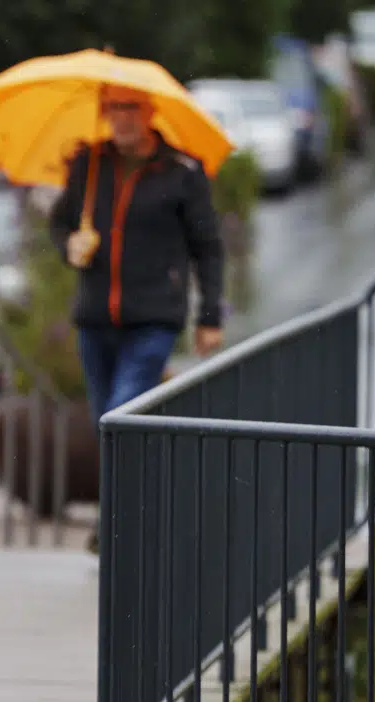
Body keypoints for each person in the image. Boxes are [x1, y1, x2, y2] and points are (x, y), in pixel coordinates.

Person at [49, 85, 225, 551]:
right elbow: (60, 222)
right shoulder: (89, 165)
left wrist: (209, 315)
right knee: (106, 424)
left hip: (153, 318)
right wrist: (70, 245)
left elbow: (207, 248)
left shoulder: (182, 173)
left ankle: (114, 529)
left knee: (118, 416)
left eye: (130, 108)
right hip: (94, 319)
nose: (121, 118)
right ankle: (134, 517)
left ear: (149, 113)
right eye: (113, 109)